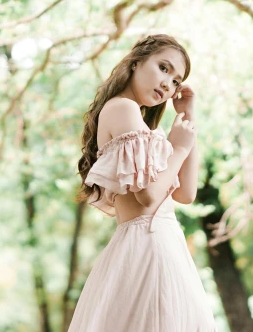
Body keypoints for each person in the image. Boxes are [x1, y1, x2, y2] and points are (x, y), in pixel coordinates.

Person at [68, 34, 217, 332]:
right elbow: (148, 196)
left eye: (176, 81)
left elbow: (187, 194)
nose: (168, 85)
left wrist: (188, 116)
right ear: (136, 62)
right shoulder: (122, 108)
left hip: (164, 244)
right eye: (164, 68)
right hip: (147, 248)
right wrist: (180, 149)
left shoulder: (145, 129)